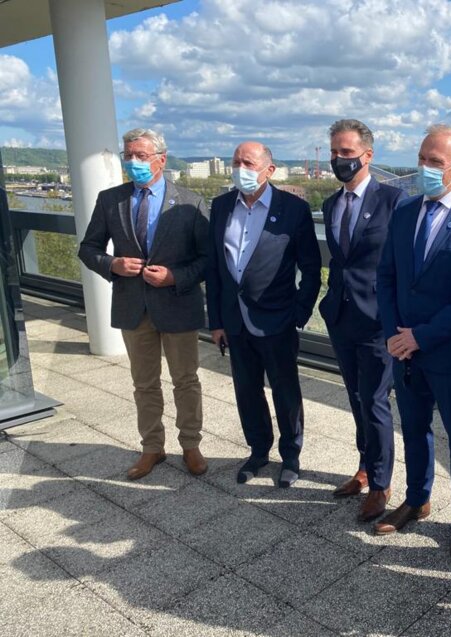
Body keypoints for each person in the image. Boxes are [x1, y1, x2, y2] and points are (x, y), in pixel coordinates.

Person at [375, 124, 451, 560]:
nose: (425, 169)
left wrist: (420, 336)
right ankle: (417, 498)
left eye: (435, 162)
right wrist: (395, 334)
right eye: (422, 159)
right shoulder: (405, 212)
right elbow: (387, 276)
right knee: (413, 428)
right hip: (403, 350)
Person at [79, 128, 209, 480]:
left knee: (186, 380)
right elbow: (88, 248)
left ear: (161, 160)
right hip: (132, 306)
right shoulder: (111, 200)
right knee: (144, 383)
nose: (132, 162)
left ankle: (191, 445)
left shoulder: (189, 202)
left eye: (141, 156)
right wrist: (113, 265)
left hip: (178, 304)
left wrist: (175, 277)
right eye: (128, 155)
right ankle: (152, 448)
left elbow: (207, 258)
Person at [206, 141, 321, 488]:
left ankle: (291, 455)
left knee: (285, 391)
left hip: (278, 319)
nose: (241, 168)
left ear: (269, 170)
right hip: (234, 320)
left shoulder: (293, 210)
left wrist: (299, 313)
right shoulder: (221, 206)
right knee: (246, 390)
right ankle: (258, 452)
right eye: (236, 162)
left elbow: (311, 267)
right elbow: (214, 268)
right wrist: (216, 321)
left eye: (249, 162)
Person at [319, 119, 404, 522]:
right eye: (335, 152)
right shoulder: (331, 203)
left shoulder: (395, 201)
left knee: (374, 401)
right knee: (355, 397)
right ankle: (364, 468)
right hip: (340, 316)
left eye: (347, 153)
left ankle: (383, 484)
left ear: (367, 156)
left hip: (377, 321)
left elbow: (406, 264)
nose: (339, 159)